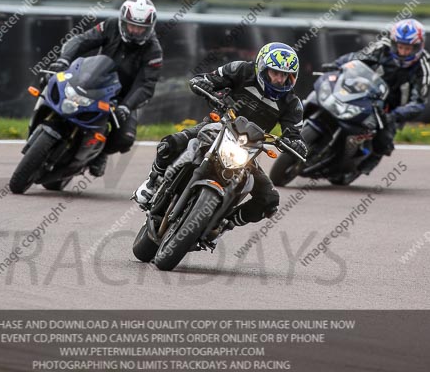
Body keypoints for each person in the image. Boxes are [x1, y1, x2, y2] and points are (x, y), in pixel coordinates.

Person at [134, 42, 306, 233]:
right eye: (275, 73)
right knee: (170, 144)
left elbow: (294, 133)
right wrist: (203, 83)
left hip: (248, 149)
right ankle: (153, 182)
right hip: (218, 126)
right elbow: (209, 78)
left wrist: (296, 143)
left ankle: (224, 223)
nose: (279, 80)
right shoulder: (241, 69)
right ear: (262, 68)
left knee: (269, 200)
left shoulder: (292, 103)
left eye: (285, 75)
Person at [40, 0, 163, 178]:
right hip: (93, 81)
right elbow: (81, 40)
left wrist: (126, 106)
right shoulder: (111, 26)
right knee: (52, 82)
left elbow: (146, 85)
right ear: (123, 22)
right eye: (132, 26)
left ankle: (101, 153)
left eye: (141, 28)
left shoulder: (154, 51)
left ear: (149, 28)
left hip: (122, 97)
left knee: (125, 139)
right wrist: (63, 60)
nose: (136, 31)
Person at [326, 18, 430, 172]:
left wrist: (395, 115)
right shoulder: (383, 47)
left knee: (383, 140)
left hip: (394, 108)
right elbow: (357, 57)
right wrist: (336, 65)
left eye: (408, 49)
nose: (403, 52)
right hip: (369, 91)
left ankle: (364, 163)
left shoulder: (424, 66)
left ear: (419, 47)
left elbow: (419, 101)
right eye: (400, 47)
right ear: (394, 43)